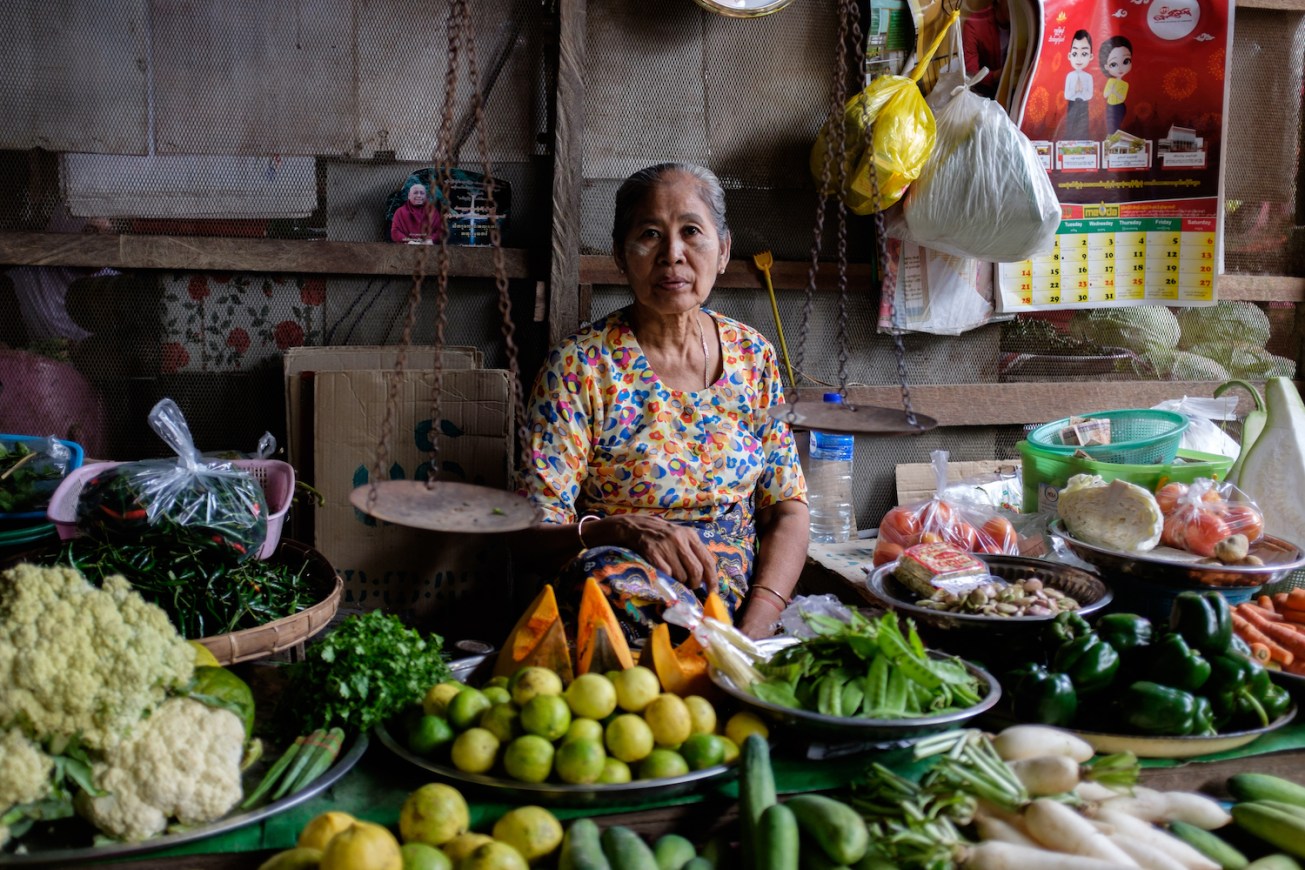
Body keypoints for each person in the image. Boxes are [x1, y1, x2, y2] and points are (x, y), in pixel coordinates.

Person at [512, 163, 810, 640]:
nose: (672, 255)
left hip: (740, 610)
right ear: (620, 255)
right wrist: (621, 531)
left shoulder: (752, 355)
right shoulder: (581, 366)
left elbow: (786, 508)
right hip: (627, 605)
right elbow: (526, 538)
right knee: (608, 583)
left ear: (723, 250)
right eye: (650, 235)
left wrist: (755, 629)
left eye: (691, 231)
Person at [962, 0, 1010, 99]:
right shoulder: (974, 24)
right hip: (987, 93)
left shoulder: (1029, 21)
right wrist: (998, 75)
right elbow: (971, 75)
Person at [1060, 30, 1094, 141]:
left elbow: (1089, 95)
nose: (1079, 59)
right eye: (1075, 54)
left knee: (1083, 126)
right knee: (1071, 124)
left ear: (1090, 56)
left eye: (1084, 54)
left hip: (1083, 104)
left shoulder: (1088, 77)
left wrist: (1081, 92)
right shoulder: (1070, 76)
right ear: (1069, 56)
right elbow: (1067, 95)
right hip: (1072, 103)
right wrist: (1075, 91)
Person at [1100, 35, 1133, 134]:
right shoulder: (1110, 81)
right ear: (1106, 66)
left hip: (1119, 106)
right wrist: (1111, 91)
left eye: (1126, 61)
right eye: (1113, 64)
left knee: (1116, 126)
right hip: (1110, 106)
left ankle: (1115, 142)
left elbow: (1122, 98)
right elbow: (1105, 95)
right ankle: (1111, 142)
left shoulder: (1125, 84)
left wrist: (1114, 91)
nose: (1120, 69)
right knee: (1110, 127)